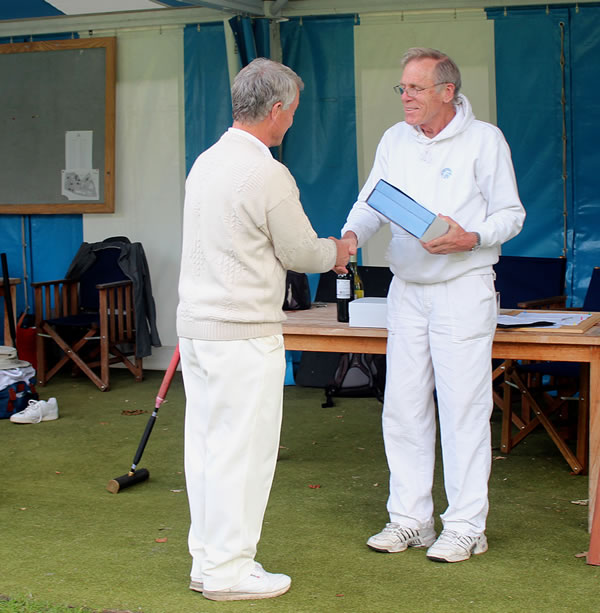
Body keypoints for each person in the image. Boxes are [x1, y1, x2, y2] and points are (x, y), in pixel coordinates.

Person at [339, 47, 525, 563]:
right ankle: (410, 520)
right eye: (402, 88)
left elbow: (512, 214)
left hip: (463, 288)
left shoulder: (485, 140)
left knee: (464, 409)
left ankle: (467, 526)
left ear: (448, 91)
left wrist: (472, 236)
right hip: (407, 292)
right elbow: (371, 199)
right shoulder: (394, 139)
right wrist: (351, 236)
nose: (406, 98)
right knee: (403, 406)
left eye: (415, 88)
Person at [177, 57, 353, 601]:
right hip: (242, 331)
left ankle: (209, 562)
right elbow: (301, 252)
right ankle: (229, 571)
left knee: (207, 450)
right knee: (243, 452)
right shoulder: (267, 171)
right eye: (293, 112)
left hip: (198, 328)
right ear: (275, 109)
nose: (292, 122)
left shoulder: (205, 161)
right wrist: (339, 251)